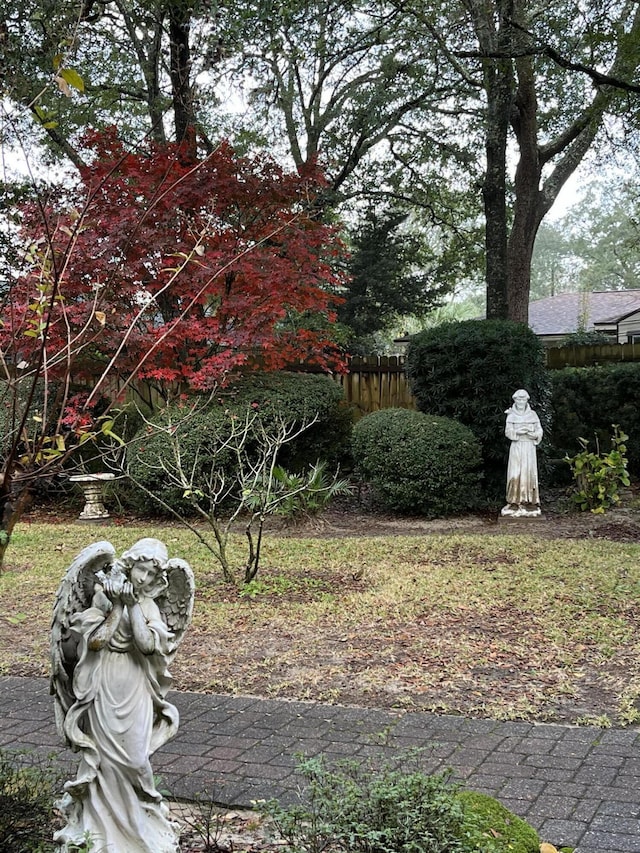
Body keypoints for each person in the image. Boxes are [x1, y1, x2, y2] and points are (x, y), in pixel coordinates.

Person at [54, 539, 183, 853]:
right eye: (141, 569)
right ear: (130, 563)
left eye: (152, 575)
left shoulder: (149, 605)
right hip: (104, 681)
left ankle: (141, 823)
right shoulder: (102, 597)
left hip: (135, 683)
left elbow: (148, 645)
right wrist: (116, 607)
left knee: (136, 758)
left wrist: (133, 605)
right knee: (104, 759)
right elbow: (96, 642)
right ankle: (102, 830)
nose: (143, 578)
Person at [501, 389, 543, 517]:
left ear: (527, 400)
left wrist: (534, 434)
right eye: (518, 399)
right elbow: (508, 432)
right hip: (517, 446)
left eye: (523, 399)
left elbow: (539, 430)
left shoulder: (533, 415)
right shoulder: (511, 415)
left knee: (528, 473)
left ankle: (529, 502)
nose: (520, 401)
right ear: (515, 400)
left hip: (529, 447)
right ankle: (513, 501)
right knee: (515, 473)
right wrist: (518, 432)